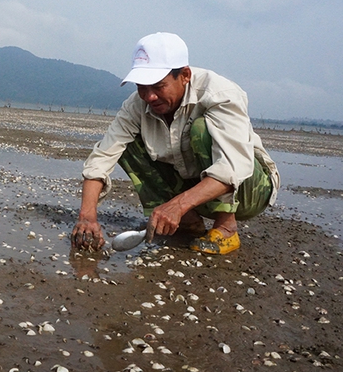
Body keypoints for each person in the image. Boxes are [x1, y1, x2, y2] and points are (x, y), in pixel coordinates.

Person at [71, 32, 280, 255]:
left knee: (201, 129)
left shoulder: (219, 93)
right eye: (142, 87)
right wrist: (87, 216)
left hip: (250, 190)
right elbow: (102, 156)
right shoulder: (136, 106)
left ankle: (226, 227)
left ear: (185, 75)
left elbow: (233, 167)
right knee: (127, 143)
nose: (149, 97)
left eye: (158, 86)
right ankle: (187, 223)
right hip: (195, 188)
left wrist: (177, 205)